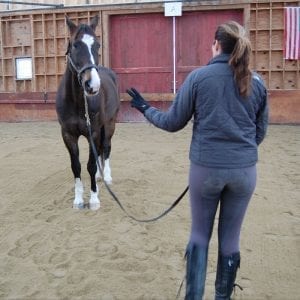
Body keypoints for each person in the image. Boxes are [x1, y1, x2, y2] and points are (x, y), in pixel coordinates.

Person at [127, 20, 268, 300]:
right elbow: (259, 133)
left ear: (216, 45)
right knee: (230, 239)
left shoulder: (198, 78)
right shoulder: (258, 82)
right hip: (244, 172)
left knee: (200, 235)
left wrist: (145, 108)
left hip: (205, 170)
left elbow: (172, 122)